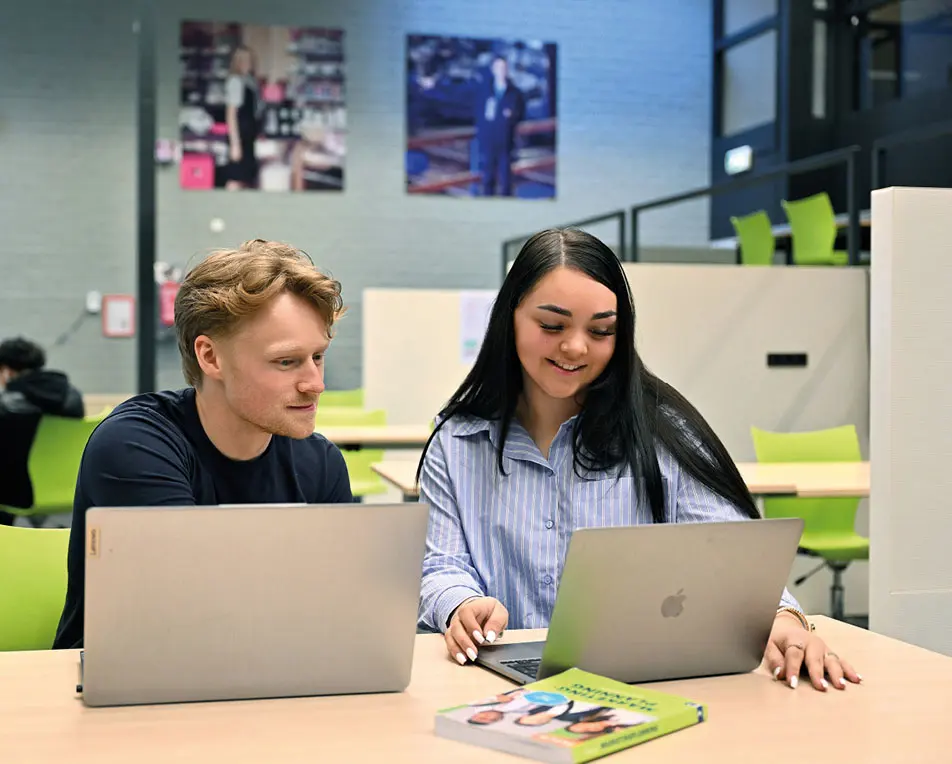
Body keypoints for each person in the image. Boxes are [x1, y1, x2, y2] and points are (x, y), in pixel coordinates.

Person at [417, 228, 862, 693]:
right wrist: (461, 604)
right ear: (508, 319)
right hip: (493, 689)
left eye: (601, 331)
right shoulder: (457, 441)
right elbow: (441, 564)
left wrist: (783, 620)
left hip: (643, 687)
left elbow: (728, 555)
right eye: (552, 326)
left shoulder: (662, 432)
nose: (575, 348)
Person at [53, 239, 353, 649]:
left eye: (318, 357)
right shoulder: (135, 445)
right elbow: (188, 618)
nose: (315, 384)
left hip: (265, 679)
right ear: (211, 357)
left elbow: (332, 615)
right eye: (286, 362)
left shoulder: (320, 463)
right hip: (129, 692)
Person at [0, 337, 84, 524]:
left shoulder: (7, 405)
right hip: (67, 487)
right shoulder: (72, 397)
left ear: (7, 371)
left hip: (17, 493)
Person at [475, 55, 525, 197]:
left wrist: (512, 115)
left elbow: (520, 113)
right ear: (493, 69)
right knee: (488, 178)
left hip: (505, 142)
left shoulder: (515, 93)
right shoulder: (484, 90)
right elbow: (478, 113)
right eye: (498, 68)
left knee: (506, 179)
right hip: (488, 141)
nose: (501, 71)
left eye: (504, 68)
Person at [224, 45, 263, 190]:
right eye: (245, 60)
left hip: (249, 136)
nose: (248, 63)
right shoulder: (235, 81)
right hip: (239, 137)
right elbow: (231, 114)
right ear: (238, 62)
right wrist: (235, 144)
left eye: (250, 60)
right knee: (236, 179)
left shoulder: (250, 81)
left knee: (247, 178)